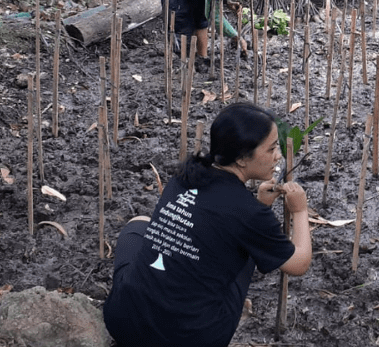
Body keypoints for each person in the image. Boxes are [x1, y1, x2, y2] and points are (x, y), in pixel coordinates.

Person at [103, 102, 312, 347]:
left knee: (138, 225)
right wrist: (300, 210)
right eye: (272, 149)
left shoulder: (185, 176)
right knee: (246, 254)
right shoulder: (249, 213)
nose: (278, 156)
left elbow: (211, 219)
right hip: (189, 339)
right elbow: (298, 264)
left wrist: (260, 204)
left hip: (123, 322)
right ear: (243, 159)